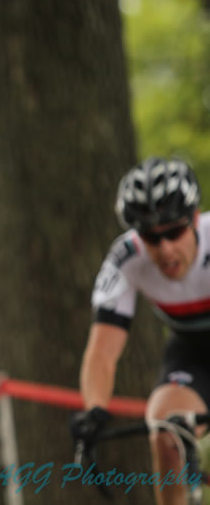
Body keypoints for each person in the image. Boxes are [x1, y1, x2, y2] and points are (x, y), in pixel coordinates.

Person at [72, 156, 207, 505]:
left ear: (195, 218)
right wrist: (95, 409)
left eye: (174, 232)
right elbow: (102, 352)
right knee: (167, 429)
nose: (165, 249)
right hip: (192, 353)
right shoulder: (126, 259)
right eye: (151, 237)